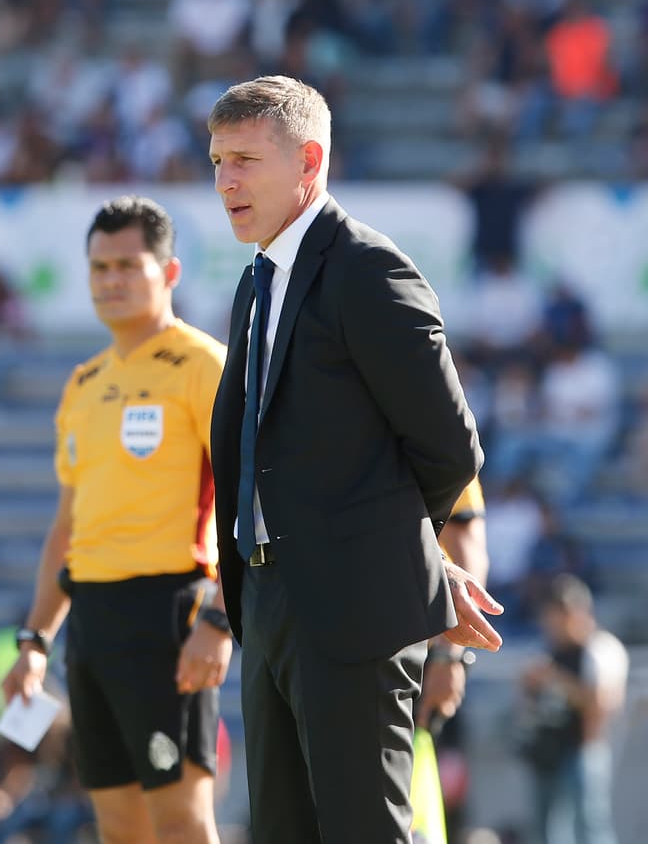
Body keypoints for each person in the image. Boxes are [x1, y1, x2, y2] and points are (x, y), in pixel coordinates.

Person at [204, 75, 502, 843]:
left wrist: (392, 555)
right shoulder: (256, 282)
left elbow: (450, 446)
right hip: (268, 605)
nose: (225, 180)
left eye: (244, 159)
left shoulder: (368, 269)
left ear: (308, 160)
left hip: (352, 612)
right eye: (216, 161)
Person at [1, 195, 229, 844]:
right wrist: (35, 640)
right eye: (100, 267)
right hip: (91, 625)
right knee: (119, 828)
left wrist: (219, 617)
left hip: (168, 615)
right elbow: (67, 528)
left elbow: (252, 501)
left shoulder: (203, 365)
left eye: (129, 264)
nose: (113, 280)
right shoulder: (84, 383)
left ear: (171, 272)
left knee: (182, 821)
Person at [517, 573, 628, 844]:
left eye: (562, 612)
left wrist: (556, 680)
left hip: (582, 751)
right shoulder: (545, 649)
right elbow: (530, 706)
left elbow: (601, 705)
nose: (555, 621)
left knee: (591, 828)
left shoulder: (600, 649)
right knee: (547, 832)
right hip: (547, 751)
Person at [413, 477, 491, 844]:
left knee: (416, 800)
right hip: (345, 642)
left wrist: (449, 655)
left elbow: (468, 542)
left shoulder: (431, 422)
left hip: (422, 653)